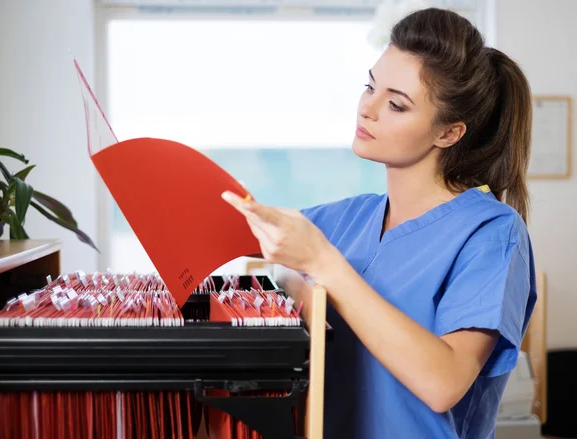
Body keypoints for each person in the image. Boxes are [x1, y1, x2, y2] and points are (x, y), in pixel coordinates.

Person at [221, 7, 537, 439]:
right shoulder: (348, 217)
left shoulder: (493, 234)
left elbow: (444, 383)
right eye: (369, 87)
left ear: (449, 133)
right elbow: (227, 232)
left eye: (395, 104)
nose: (367, 108)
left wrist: (324, 264)